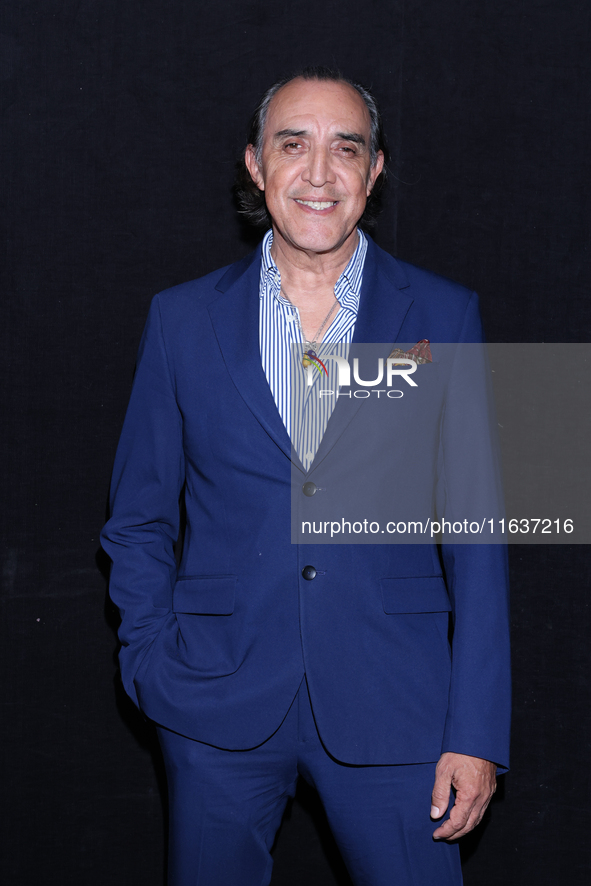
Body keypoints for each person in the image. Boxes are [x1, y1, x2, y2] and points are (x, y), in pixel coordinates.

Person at [101, 66, 510, 886]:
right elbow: (140, 516)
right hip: (214, 705)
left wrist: (476, 729)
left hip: (398, 707)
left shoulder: (443, 314)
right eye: (293, 145)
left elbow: (477, 535)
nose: (318, 173)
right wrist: (150, 659)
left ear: (374, 170)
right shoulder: (180, 319)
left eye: (344, 149)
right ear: (255, 165)